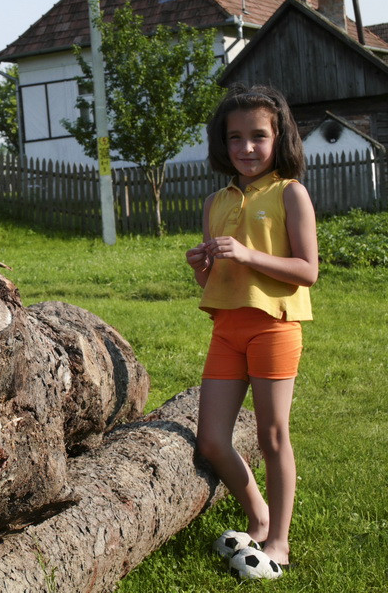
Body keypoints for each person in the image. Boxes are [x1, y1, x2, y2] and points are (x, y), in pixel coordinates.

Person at [185, 83, 318, 574]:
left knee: (272, 436)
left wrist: (247, 254)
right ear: (223, 142)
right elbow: (218, 278)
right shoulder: (215, 201)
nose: (245, 148)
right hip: (226, 329)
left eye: (258, 136)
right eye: (235, 137)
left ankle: (278, 542)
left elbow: (308, 270)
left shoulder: (290, 193)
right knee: (212, 441)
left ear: (279, 137)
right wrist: (200, 265)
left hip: (274, 328)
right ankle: (258, 515)